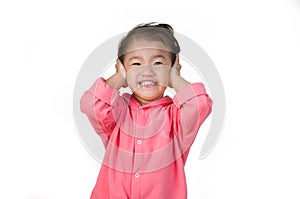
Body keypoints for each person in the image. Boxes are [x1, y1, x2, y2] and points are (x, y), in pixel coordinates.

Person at [80, 22, 213, 199]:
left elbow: (200, 105)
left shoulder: (176, 119)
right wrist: (119, 77)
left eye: (158, 63)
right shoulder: (117, 113)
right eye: (136, 63)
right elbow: (90, 104)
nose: (147, 71)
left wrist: (175, 78)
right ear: (123, 68)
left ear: (173, 68)